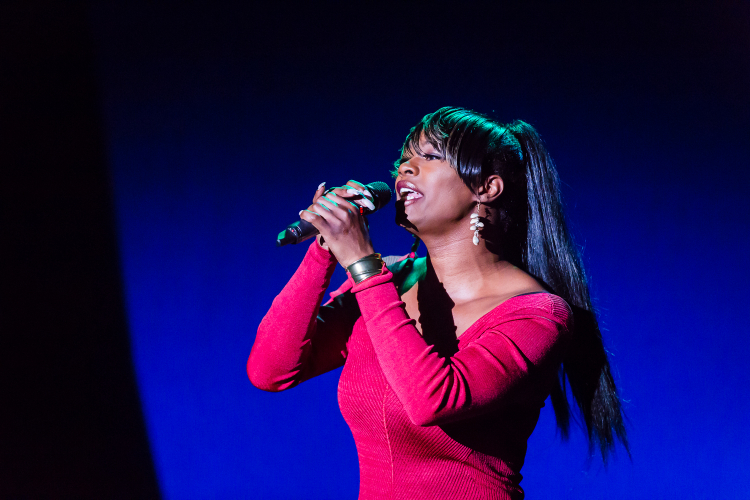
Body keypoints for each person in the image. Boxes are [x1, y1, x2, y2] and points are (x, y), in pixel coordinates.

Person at [247, 107, 628, 499]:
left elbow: (432, 400)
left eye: (429, 156)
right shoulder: (386, 281)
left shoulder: (537, 314)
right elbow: (270, 371)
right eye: (403, 159)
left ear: (487, 188)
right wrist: (324, 250)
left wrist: (363, 266)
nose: (405, 168)